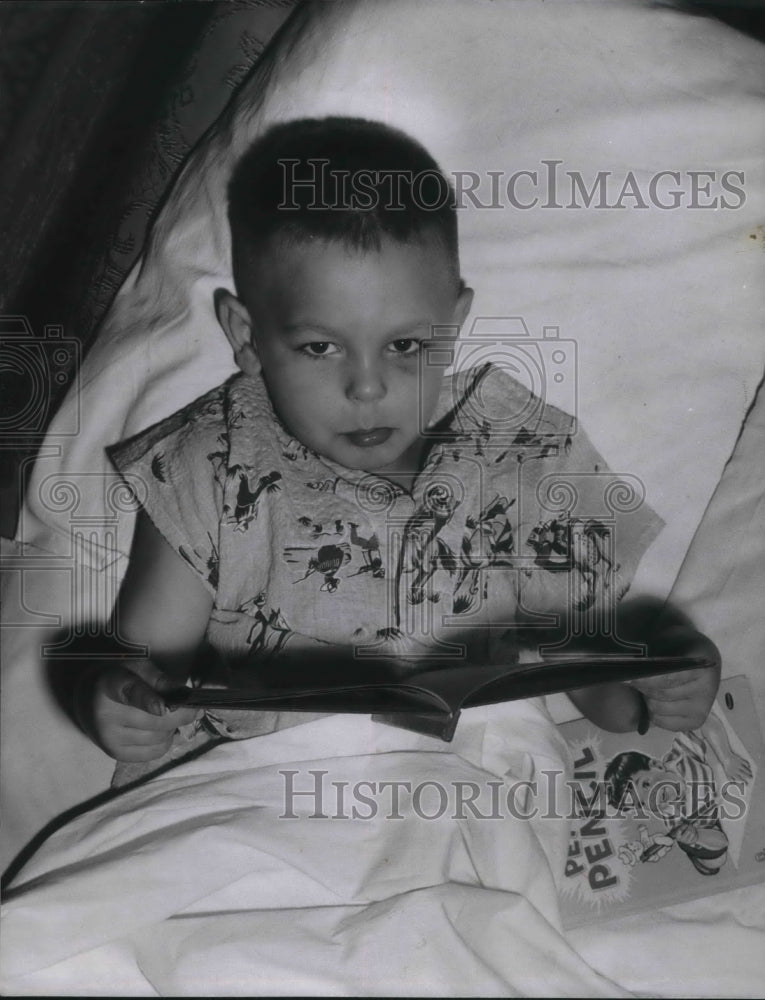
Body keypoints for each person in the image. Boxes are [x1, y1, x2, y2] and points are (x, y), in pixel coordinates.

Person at [73, 117, 721, 778]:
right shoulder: (212, 469)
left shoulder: (519, 459)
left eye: (405, 345)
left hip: (463, 794)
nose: (365, 386)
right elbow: (141, 674)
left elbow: (602, 696)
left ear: (453, 325)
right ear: (247, 335)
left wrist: (662, 681)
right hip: (253, 797)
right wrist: (120, 706)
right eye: (319, 347)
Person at [605, 712, 752, 873]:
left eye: (646, 784)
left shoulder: (682, 756)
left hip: (725, 783)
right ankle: (694, 850)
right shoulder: (674, 818)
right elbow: (722, 842)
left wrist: (727, 758)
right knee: (716, 860)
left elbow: (703, 719)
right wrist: (696, 836)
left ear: (657, 765)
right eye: (641, 803)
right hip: (709, 822)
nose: (651, 798)